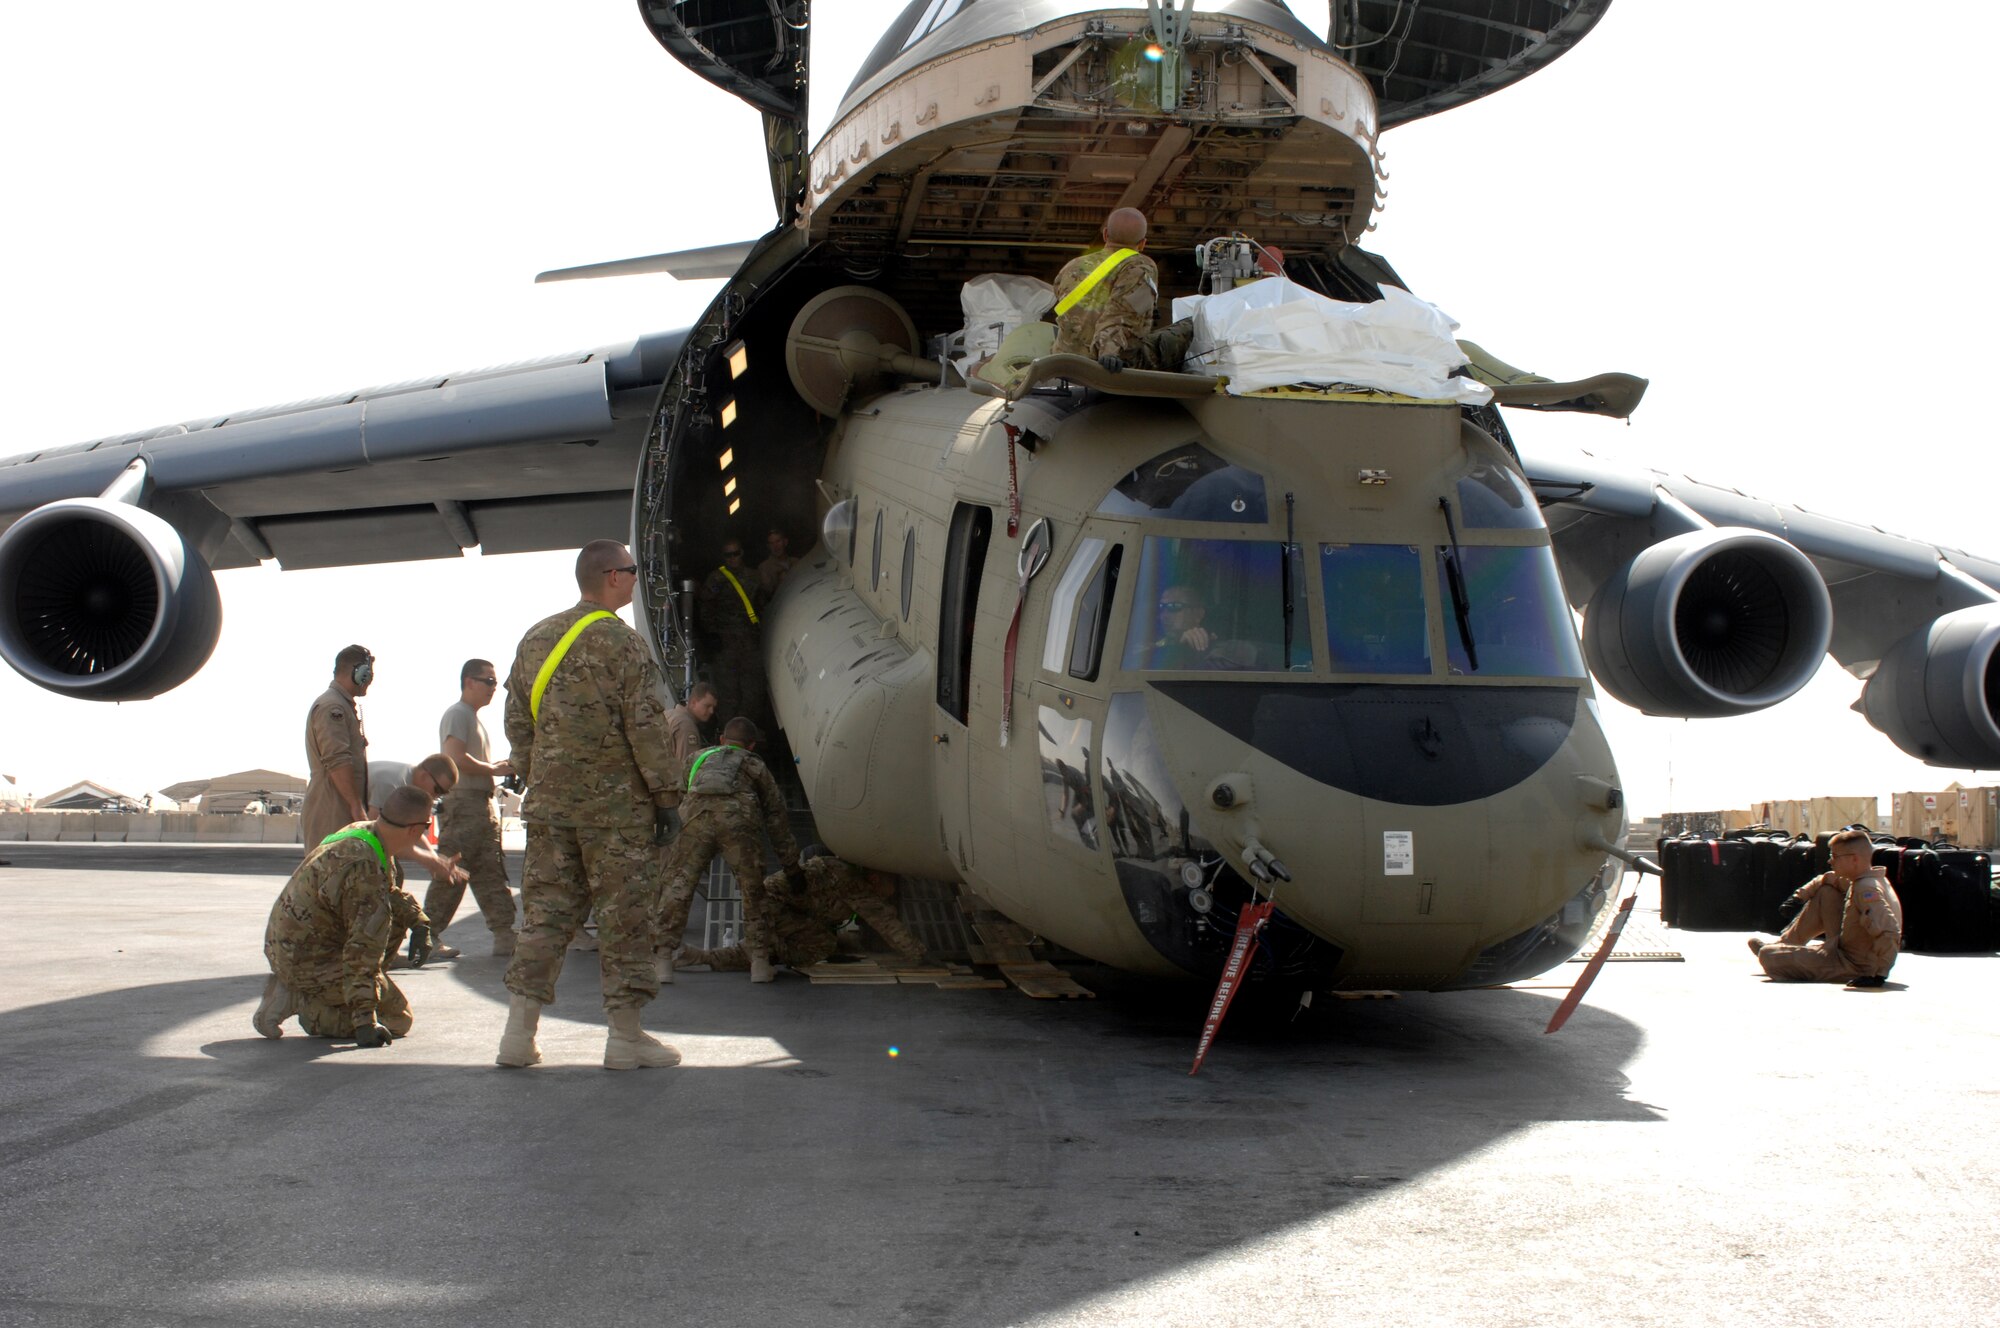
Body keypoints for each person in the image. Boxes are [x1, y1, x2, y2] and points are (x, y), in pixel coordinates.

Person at [496, 539, 683, 1070]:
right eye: (631, 570)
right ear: (611, 577)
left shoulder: (537, 637)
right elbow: (645, 726)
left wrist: (541, 775)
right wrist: (667, 799)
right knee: (625, 920)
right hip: (617, 814)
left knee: (546, 917)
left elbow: (516, 720)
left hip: (551, 809)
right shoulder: (622, 643)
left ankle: (518, 1035)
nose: (635, 579)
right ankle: (625, 1039)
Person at [253, 785, 438, 1044]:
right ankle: (301, 1000)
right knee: (398, 1019)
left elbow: (390, 892)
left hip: (292, 944)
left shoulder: (364, 833)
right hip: (307, 960)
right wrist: (365, 1021)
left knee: (390, 916)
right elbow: (362, 949)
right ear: (417, 830)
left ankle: (327, 993)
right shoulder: (365, 869)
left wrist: (418, 922)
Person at [654, 716, 806, 985]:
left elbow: (680, 790)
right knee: (752, 890)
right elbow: (776, 817)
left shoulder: (698, 757)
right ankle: (759, 963)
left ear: (722, 740)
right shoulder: (754, 764)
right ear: (751, 746)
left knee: (679, 885)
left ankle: (663, 959)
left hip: (696, 817)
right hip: (739, 821)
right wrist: (792, 867)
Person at [677, 852, 925, 973]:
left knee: (766, 949)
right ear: (874, 879)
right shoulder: (855, 885)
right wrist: (920, 956)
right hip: (773, 907)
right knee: (823, 944)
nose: (883, 897)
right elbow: (886, 922)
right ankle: (761, 949)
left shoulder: (844, 870)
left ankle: (699, 956)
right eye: (884, 891)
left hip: (770, 906)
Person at [428, 659, 518, 957]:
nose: (494, 687)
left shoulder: (472, 717)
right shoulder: (458, 714)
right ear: (469, 682)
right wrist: (494, 770)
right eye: (488, 681)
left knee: (491, 872)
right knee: (452, 872)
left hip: (480, 807)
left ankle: (505, 933)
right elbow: (455, 757)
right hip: (464, 805)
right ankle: (426, 935)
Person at [1748, 829, 1904, 988]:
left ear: (1854, 859)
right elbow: (1827, 879)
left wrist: (1879, 975)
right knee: (1826, 893)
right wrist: (1799, 896)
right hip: (1846, 948)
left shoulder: (1866, 890)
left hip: (1854, 965)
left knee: (1769, 956)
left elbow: (1890, 931)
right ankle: (1784, 944)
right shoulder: (1865, 879)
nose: (1830, 861)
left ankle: (1775, 951)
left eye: (1835, 856)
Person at [1052, 207, 1160, 365]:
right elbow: (1124, 316)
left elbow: (1060, 296)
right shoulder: (1141, 267)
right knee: (1184, 329)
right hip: (1108, 364)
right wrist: (1109, 353)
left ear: (1105, 234)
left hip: (1064, 358)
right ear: (1143, 243)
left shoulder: (1074, 265)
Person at [698, 538, 771, 742]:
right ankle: (728, 736)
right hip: (726, 645)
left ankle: (747, 734)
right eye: (728, 555)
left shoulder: (753, 577)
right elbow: (705, 609)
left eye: (736, 553)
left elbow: (762, 605)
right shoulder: (716, 579)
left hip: (749, 643)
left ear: (742, 553)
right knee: (728, 693)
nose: (733, 558)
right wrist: (712, 635)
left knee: (753, 691)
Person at [301, 645, 373, 850]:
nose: (369, 680)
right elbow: (337, 760)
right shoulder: (333, 707)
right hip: (333, 810)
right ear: (358, 672)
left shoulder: (342, 705)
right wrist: (356, 807)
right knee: (330, 878)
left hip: (339, 807)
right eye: (368, 674)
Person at [1147, 585, 1255, 670]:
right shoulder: (1155, 645)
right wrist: (1178, 648)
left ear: (1198, 614)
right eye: (1162, 607)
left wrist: (1199, 650)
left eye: (1174, 607)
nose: (1164, 615)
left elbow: (1250, 656)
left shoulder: (1219, 646)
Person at [757, 528, 796, 604]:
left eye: (778, 541)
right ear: (768, 546)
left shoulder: (796, 562)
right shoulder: (764, 568)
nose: (775, 546)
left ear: (785, 542)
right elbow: (768, 596)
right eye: (771, 543)